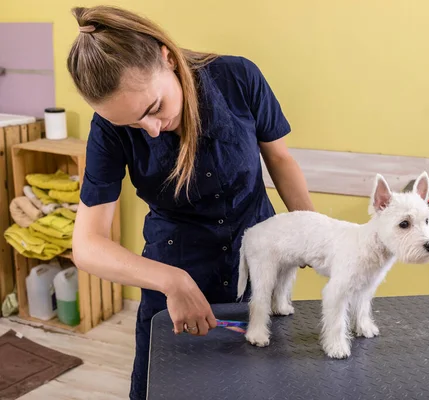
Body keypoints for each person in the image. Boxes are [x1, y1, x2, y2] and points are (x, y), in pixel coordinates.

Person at [66, 5, 314, 399]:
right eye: (130, 124)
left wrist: (310, 229)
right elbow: (87, 245)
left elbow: (280, 159)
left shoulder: (238, 77)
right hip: (174, 277)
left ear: (168, 58)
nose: (149, 129)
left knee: (258, 386)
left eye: (153, 109)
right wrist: (171, 281)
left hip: (259, 264)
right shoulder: (106, 131)